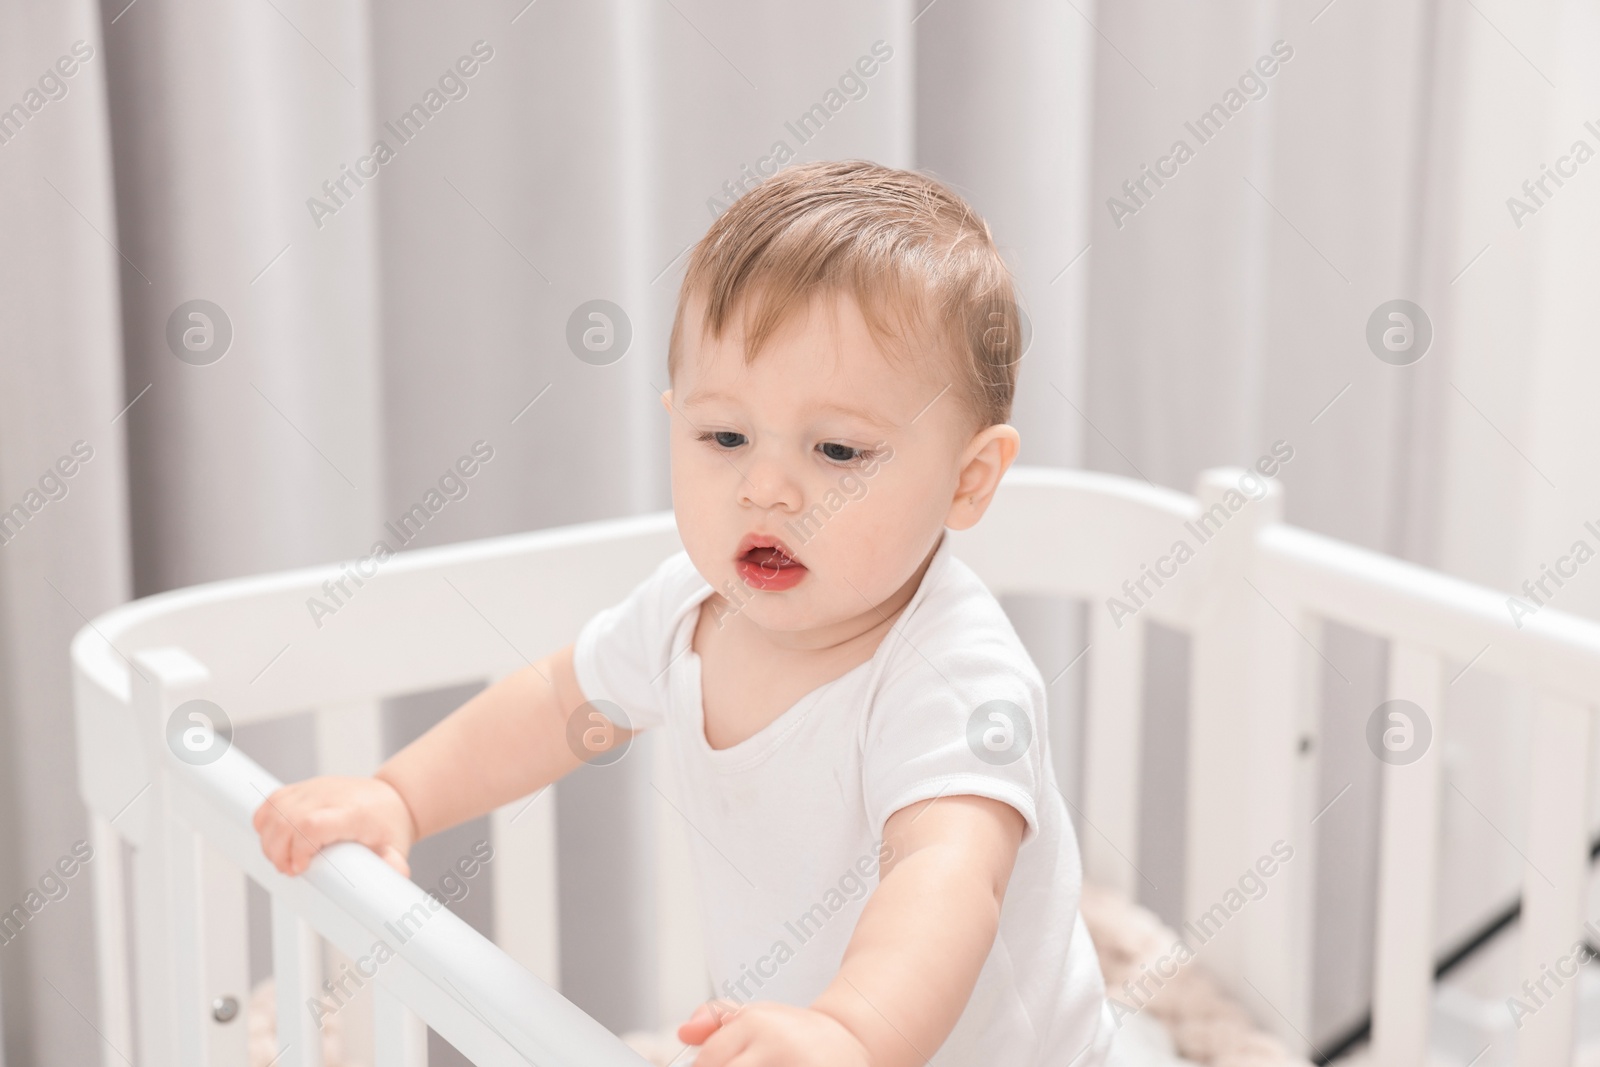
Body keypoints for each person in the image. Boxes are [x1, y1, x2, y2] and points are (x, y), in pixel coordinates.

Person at [253, 158, 1112, 1066]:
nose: (768, 487)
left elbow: (947, 874)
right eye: (724, 436)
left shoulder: (956, 675)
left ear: (968, 479)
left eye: (838, 449)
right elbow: (559, 702)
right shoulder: (688, 610)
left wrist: (850, 1031)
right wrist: (400, 796)